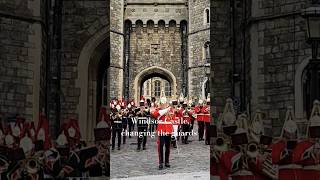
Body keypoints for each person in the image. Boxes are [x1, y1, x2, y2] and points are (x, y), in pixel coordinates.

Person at [151, 91, 173, 170]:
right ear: (160, 104)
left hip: (168, 130)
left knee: (167, 146)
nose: (163, 105)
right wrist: (166, 110)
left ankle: (167, 161)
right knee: (160, 147)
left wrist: (169, 113)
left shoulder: (170, 110)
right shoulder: (158, 110)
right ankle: (160, 162)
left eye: (164, 103)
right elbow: (154, 114)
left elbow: (172, 119)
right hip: (161, 130)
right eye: (162, 103)